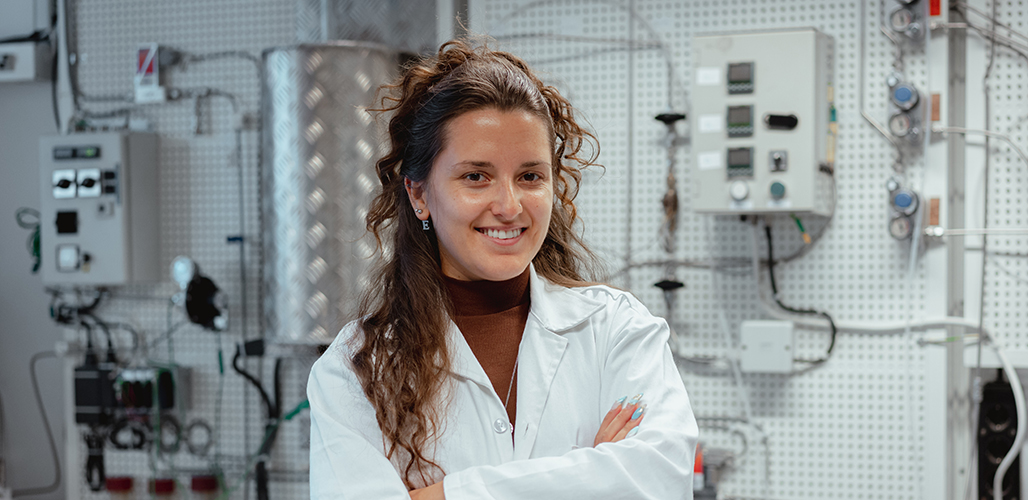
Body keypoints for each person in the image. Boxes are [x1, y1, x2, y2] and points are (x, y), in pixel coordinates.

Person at [307, 39, 699, 499]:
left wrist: (441, 494)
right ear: (419, 194)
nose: (509, 207)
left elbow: (661, 478)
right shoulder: (356, 369)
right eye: (476, 176)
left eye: (530, 176)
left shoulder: (616, 330)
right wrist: (587, 475)